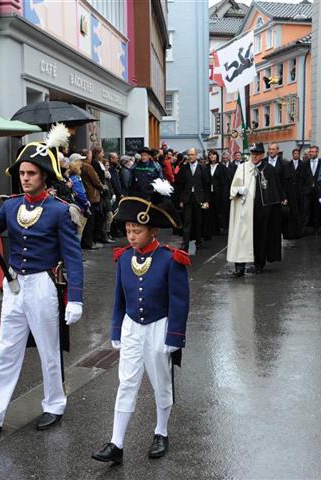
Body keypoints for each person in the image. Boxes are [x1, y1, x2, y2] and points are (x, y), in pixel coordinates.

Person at [0, 124, 84, 434]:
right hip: (14, 285)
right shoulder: (11, 205)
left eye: (30, 173)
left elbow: (72, 256)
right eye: (22, 173)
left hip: (43, 284)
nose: (24, 177)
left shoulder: (58, 210)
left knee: (48, 348)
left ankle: (54, 403)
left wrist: (77, 297)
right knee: (6, 350)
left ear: (44, 175)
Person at [91, 179, 190, 464]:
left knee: (161, 383)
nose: (131, 236)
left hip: (159, 326)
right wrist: (115, 327)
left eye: (137, 231)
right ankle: (116, 442)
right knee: (126, 382)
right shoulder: (123, 259)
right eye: (128, 230)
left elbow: (180, 302)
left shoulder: (172, 259)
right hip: (132, 326)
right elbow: (119, 298)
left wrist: (174, 337)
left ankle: (161, 431)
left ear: (153, 231)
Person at [227, 143, 282, 276]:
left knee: (260, 237)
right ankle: (239, 266)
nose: (255, 157)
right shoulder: (242, 167)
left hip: (262, 210)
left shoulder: (268, 169)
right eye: (253, 154)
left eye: (257, 154)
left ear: (263, 155)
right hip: (244, 210)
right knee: (241, 236)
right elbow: (233, 188)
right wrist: (238, 190)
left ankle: (259, 264)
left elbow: (274, 189)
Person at [177, 148, 210, 251]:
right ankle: (185, 243)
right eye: (189, 155)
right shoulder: (184, 168)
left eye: (192, 154)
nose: (190, 156)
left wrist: (206, 201)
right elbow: (180, 185)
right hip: (187, 199)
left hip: (200, 199)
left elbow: (206, 186)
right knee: (187, 221)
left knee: (199, 220)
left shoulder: (203, 168)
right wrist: (181, 200)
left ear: (196, 155)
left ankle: (198, 241)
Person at [80, 149, 105, 250]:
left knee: (89, 220)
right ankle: (89, 242)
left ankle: (88, 241)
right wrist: (102, 187)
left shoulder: (82, 166)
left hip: (87, 195)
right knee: (91, 220)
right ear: (87, 156)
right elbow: (95, 180)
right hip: (92, 195)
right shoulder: (88, 167)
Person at [205, 150, 230, 237]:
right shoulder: (206, 167)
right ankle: (211, 228)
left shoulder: (221, 167)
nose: (212, 156)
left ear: (217, 156)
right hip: (208, 193)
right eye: (210, 155)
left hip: (219, 193)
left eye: (214, 155)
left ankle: (221, 227)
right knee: (208, 210)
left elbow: (225, 181)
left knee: (219, 210)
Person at [281, 148, 304, 239]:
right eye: (294, 153)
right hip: (290, 194)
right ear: (292, 154)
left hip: (299, 194)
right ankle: (289, 233)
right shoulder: (287, 166)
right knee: (290, 214)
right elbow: (284, 181)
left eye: (297, 153)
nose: (296, 155)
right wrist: (284, 196)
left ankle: (299, 232)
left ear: (299, 154)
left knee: (299, 213)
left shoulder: (303, 165)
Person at [301, 145, 321, 234]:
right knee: (305, 210)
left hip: (318, 191)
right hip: (307, 191)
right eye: (310, 152)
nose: (311, 153)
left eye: (313, 152)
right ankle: (304, 229)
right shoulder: (305, 164)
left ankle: (316, 229)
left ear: (317, 152)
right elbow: (302, 178)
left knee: (317, 210)